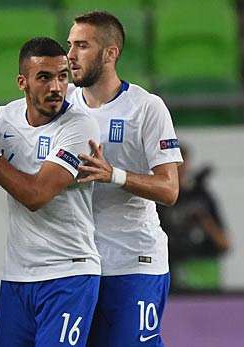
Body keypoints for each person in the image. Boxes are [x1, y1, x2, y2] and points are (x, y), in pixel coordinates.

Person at [0, 37, 101, 347]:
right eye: (44, 77)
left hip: (68, 274)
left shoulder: (79, 127)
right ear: (22, 82)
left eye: (62, 76)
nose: (56, 86)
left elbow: (35, 195)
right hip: (17, 277)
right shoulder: (10, 117)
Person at [65, 11, 183, 346]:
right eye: (70, 45)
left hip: (134, 261)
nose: (70, 55)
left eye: (82, 46)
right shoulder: (63, 106)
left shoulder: (146, 107)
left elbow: (169, 189)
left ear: (110, 53)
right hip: (78, 263)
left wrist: (112, 174)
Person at [157, 144, 231, 291]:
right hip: (172, 275)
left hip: (205, 274)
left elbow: (224, 243)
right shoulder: (157, 199)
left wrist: (201, 218)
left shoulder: (201, 196)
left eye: (182, 164)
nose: (180, 169)